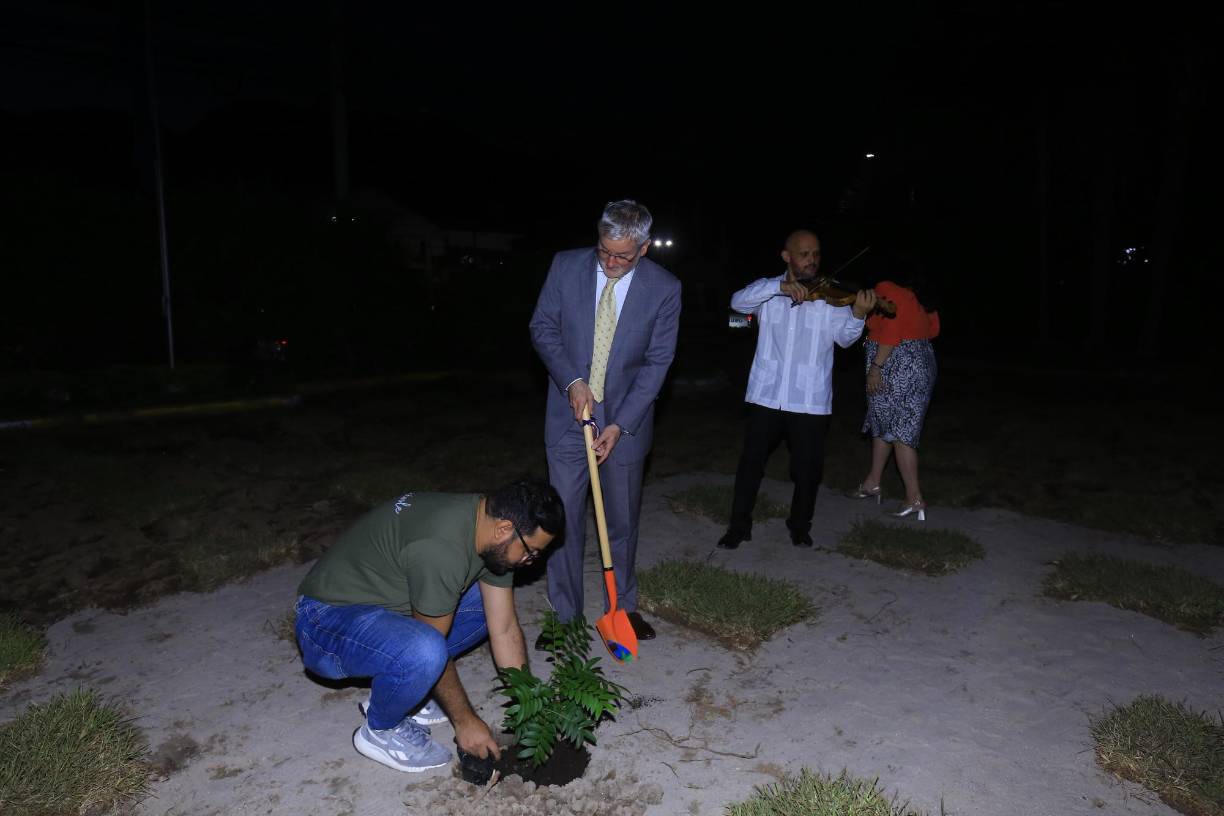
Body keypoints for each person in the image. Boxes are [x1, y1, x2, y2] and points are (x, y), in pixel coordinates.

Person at [294, 480, 564, 772]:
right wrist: (465, 721)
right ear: (504, 529)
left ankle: (403, 689)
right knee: (425, 651)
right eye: (531, 551)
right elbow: (431, 643)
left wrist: (528, 703)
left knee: (481, 606)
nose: (530, 561)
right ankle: (381, 729)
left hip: (382, 609)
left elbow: (505, 627)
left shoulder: (487, 527)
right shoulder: (441, 548)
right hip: (325, 621)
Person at [528, 200, 682, 646]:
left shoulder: (665, 288)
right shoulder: (566, 267)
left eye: (623, 256)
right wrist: (573, 381)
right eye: (604, 251)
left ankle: (623, 608)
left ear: (644, 248)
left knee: (621, 520)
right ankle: (565, 617)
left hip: (626, 423)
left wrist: (620, 425)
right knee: (565, 519)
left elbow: (658, 363)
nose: (611, 263)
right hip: (567, 416)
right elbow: (543, 328)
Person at [717, 230, 876, 549]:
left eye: (816, 254)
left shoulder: (831, 298)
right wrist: (779, 287)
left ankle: (800, 525)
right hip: (766, 393)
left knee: (807, 470)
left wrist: (858, 315)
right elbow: (737, 302)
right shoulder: (768, 291)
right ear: (787, 256)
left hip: (809, 399)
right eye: (804, 254)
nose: (812, 260)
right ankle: (738, 526)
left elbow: (845, 339)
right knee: (751, 464)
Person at [850, 274, 940, 520]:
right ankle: (873, 483)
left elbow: (891, 331)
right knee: (884, 421)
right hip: (920, 359)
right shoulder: (920, 295)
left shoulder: (889, 288)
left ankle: (914, 497)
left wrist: (876, 368)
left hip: (893, 362)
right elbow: (933, 329)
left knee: (901, 431)